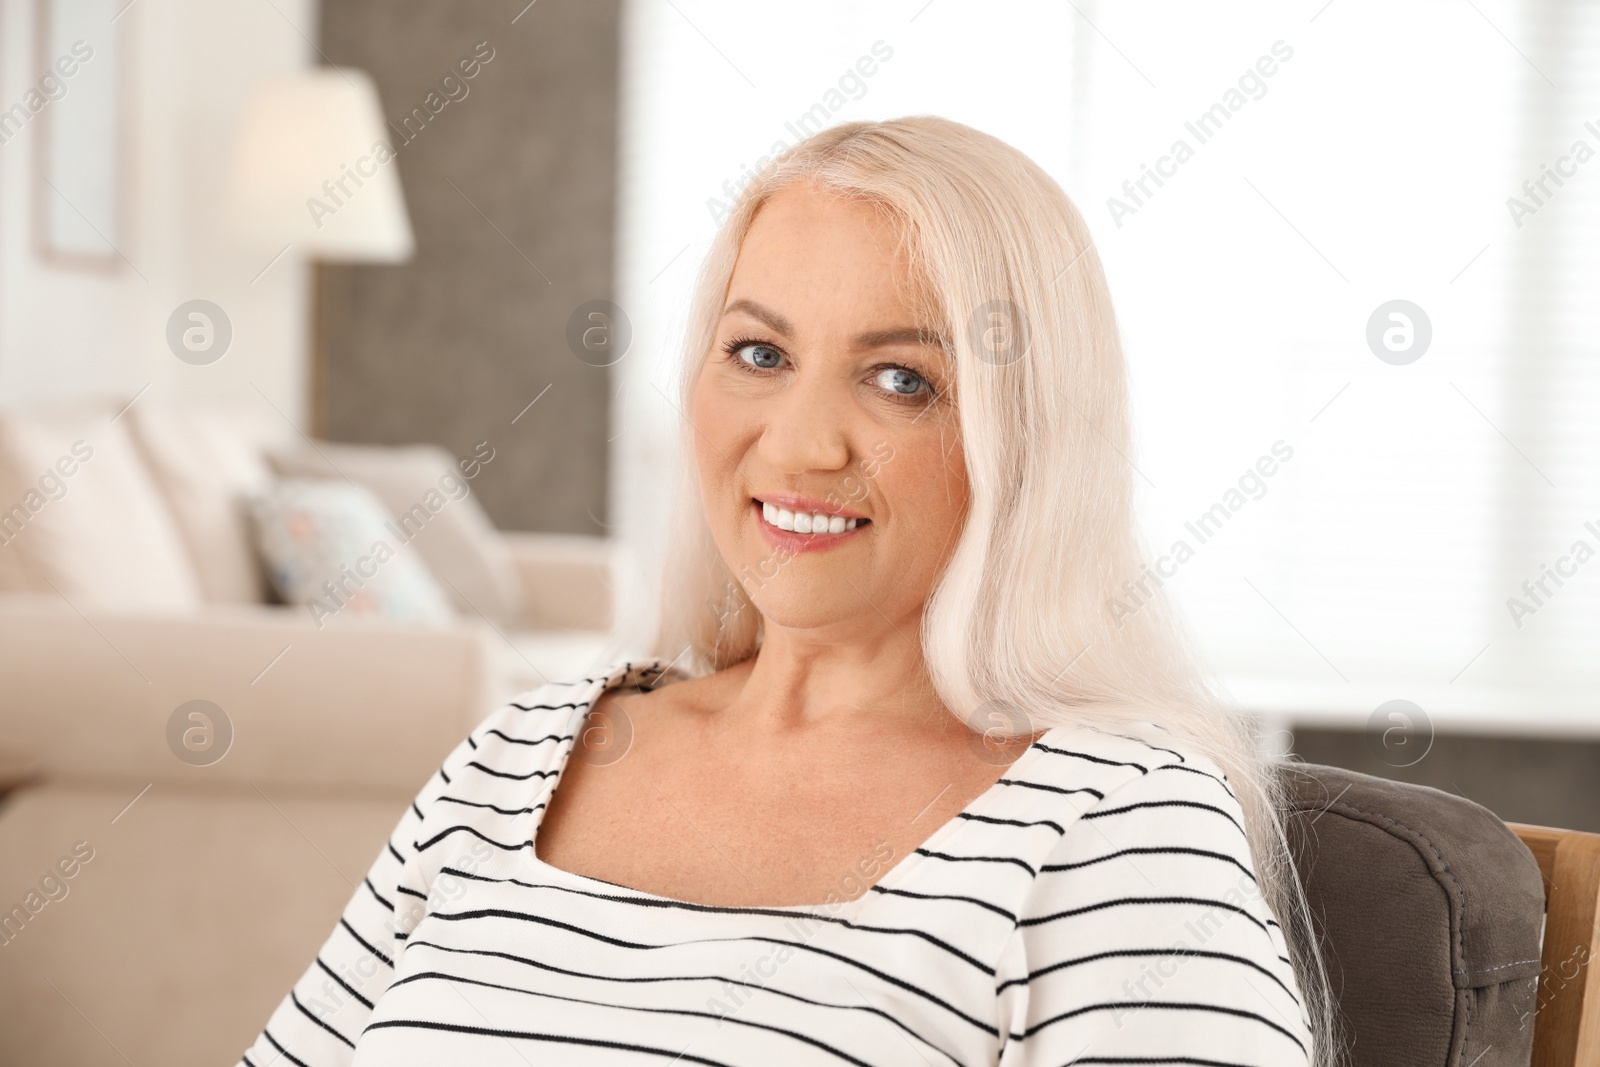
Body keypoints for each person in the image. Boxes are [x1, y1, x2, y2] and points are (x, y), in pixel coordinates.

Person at [236, 116, 1335, 1066]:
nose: (801, 443)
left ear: (1027, 438)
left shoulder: (1114, 823)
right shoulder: (512, 756)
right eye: (759, 353)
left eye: (902, 378)